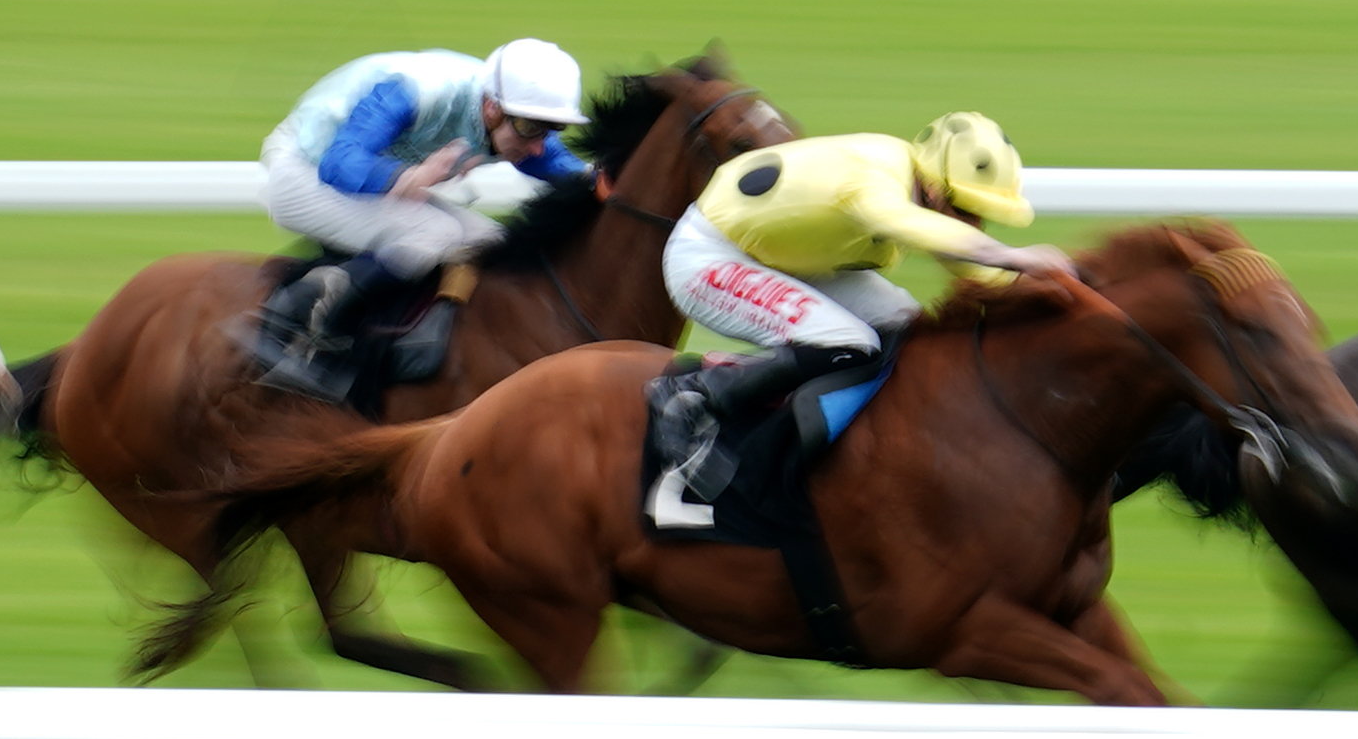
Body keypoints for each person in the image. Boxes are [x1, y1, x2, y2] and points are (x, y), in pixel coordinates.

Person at [646, 112, 1069, 523]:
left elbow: (975, 272)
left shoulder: (922, 186)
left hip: (783, 255)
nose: (975, 224)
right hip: (710, 257)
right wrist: (1012, 256)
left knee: (910, 326)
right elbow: (910, 225)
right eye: (967, 210)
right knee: (848, 342)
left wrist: (1055, 297)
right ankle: (695, 397)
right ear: (936, 191)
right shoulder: (874, 176)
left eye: (982, 217)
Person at [252, 39, 593, 404]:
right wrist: (403, 177)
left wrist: (604, 181)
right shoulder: (421, 91)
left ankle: (413, 344)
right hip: (301, 173)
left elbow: (552, 162)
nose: (538, 145)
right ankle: (309, 321)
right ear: (491, 107)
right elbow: (340, 162)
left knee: (489, 240)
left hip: (361, 184)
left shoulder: (505, 118)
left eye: (550, 129)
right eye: (530, 127)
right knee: (434, 234)